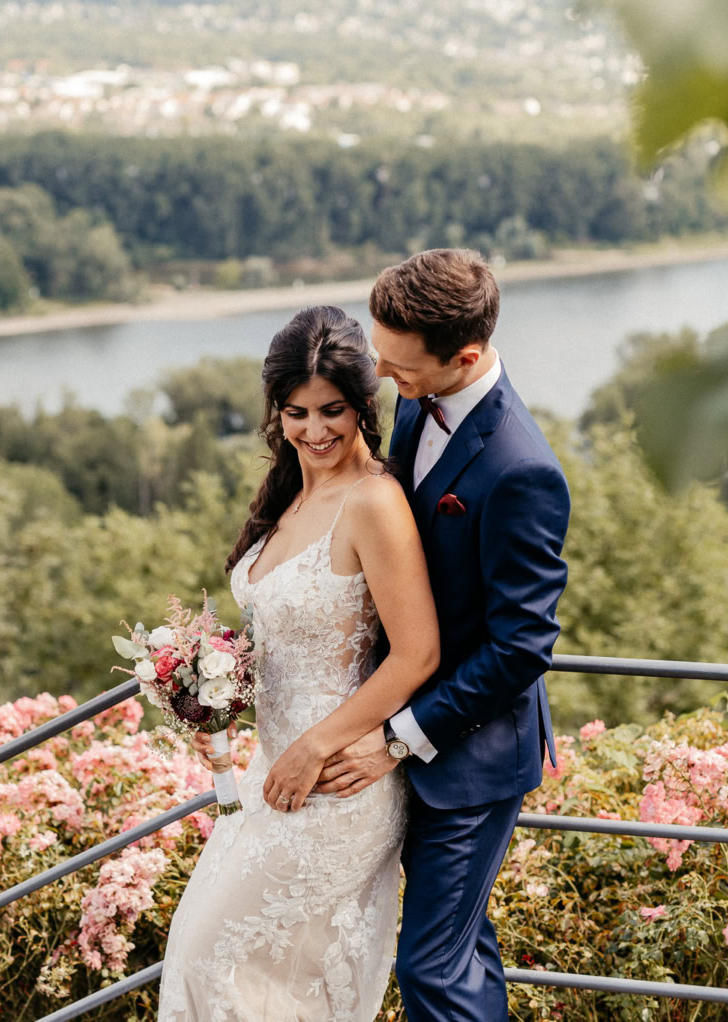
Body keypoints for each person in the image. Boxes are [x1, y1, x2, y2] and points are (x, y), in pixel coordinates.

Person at [157, 304, 440, 1022]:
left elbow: (418, 653)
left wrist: (314, 747)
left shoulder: (374, 502)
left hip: (337, 780)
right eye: (296, 412)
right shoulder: (290, 494)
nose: (315, 431)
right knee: (210, 966)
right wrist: (209, 693)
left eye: (333, 410)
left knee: (213, 962)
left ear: (363, 405)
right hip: (268, 775)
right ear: (276, 413)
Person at [309, 248, 571, 1022]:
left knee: (429, 966)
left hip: (471, 759)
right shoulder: (425, 401)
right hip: (402, 723)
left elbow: (521, 648)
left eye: (401, 368)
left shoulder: (523, 469)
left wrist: (394, 738)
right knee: (459, 948)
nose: (387, 381)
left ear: (466, 355)